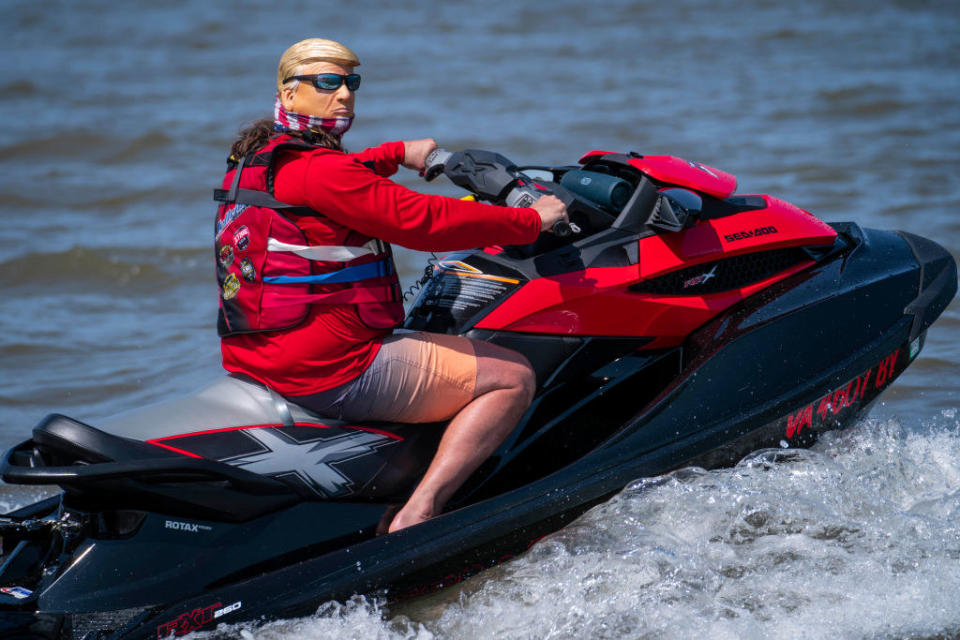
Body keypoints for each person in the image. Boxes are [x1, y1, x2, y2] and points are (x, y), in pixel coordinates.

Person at [215, 38, 568, 533]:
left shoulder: (257, 161)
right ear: (289, 93)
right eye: (327, 82)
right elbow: (421, 222)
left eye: (350, 82)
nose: (344, 95)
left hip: (261, 356)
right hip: (330, 368)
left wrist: (396, 154)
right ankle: (420, 512)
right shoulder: (322, 170)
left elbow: (337, 183)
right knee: (512, 376)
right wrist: (527, 221)